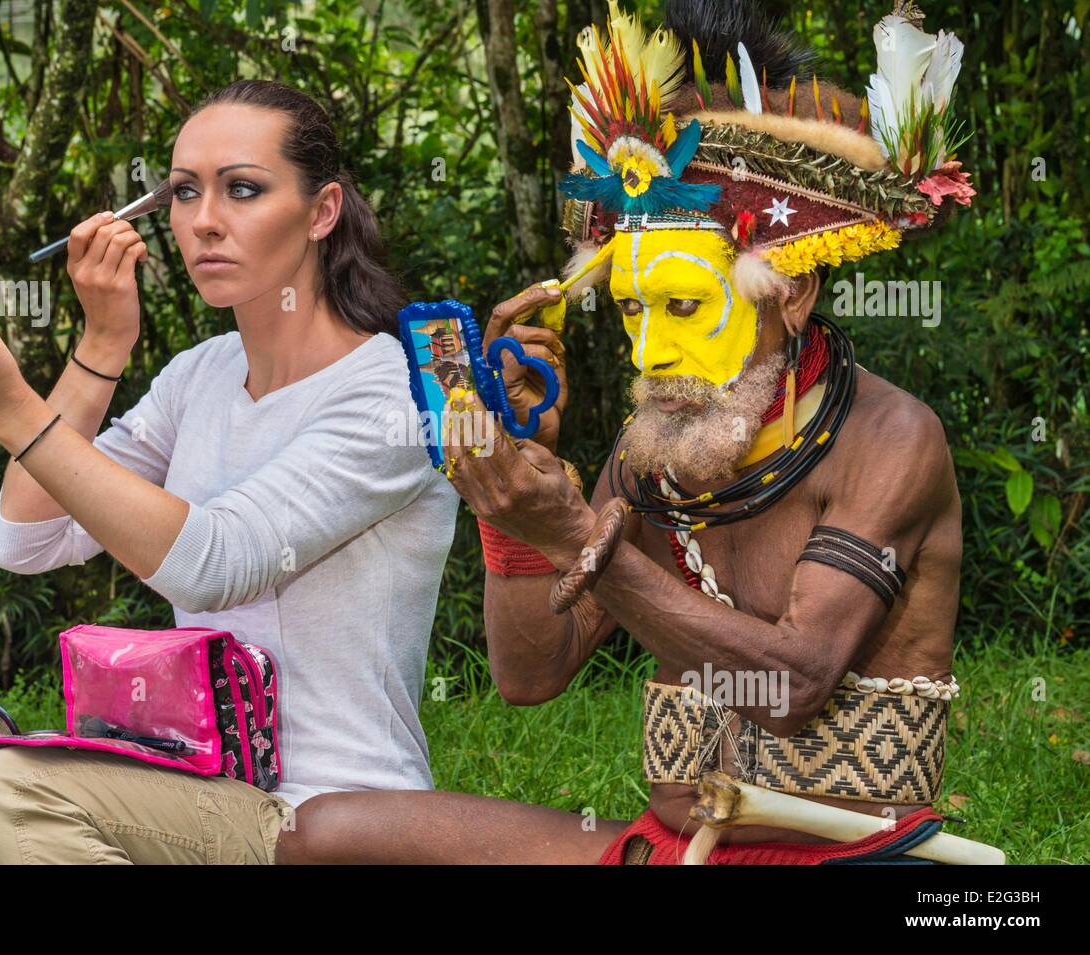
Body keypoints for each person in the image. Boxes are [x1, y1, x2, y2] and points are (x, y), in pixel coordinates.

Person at [275, 0, 989, 865]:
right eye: (631, 307)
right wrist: (511, 505)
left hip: (851, 857)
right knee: (325, 831)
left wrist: (582, 534)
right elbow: (532, 675)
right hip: (666, 848)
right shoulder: (660, 451)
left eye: (684, 304)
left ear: (789, 292)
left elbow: (793, 684)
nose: (652, 349)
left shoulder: (891, 438)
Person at [0, 78, 457, 865]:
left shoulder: (393, 390)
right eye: (184, 193)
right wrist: (102, 346)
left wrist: (10, 409)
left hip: (333, 811)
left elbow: (218, 563)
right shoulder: (203, 374)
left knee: (6, 790)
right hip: (206, 778)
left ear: (323, 212)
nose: (205, 221)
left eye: (242, 190)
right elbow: (25, 538)